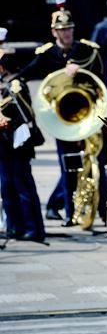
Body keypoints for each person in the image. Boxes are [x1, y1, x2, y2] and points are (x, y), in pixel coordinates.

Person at [20, 0, 105, 226]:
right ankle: (70, 213)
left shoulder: (87, 50)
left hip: (87, 116)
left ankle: (99, 211)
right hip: (62, 118)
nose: (66, 33)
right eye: (61, 30)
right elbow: (24, 75)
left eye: (68, 29)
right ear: (53, 32)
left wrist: (81, 71)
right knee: (69, 166)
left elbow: (100, 81)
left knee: (94, 164)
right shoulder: (47, 54)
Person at [0, 73, 45, 243]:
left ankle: (32, 228)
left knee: (23, 188)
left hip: (18, 145)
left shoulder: (15, 85)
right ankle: (14, 227)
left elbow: (24, 113)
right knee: (6, 188)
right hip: (3, 147)